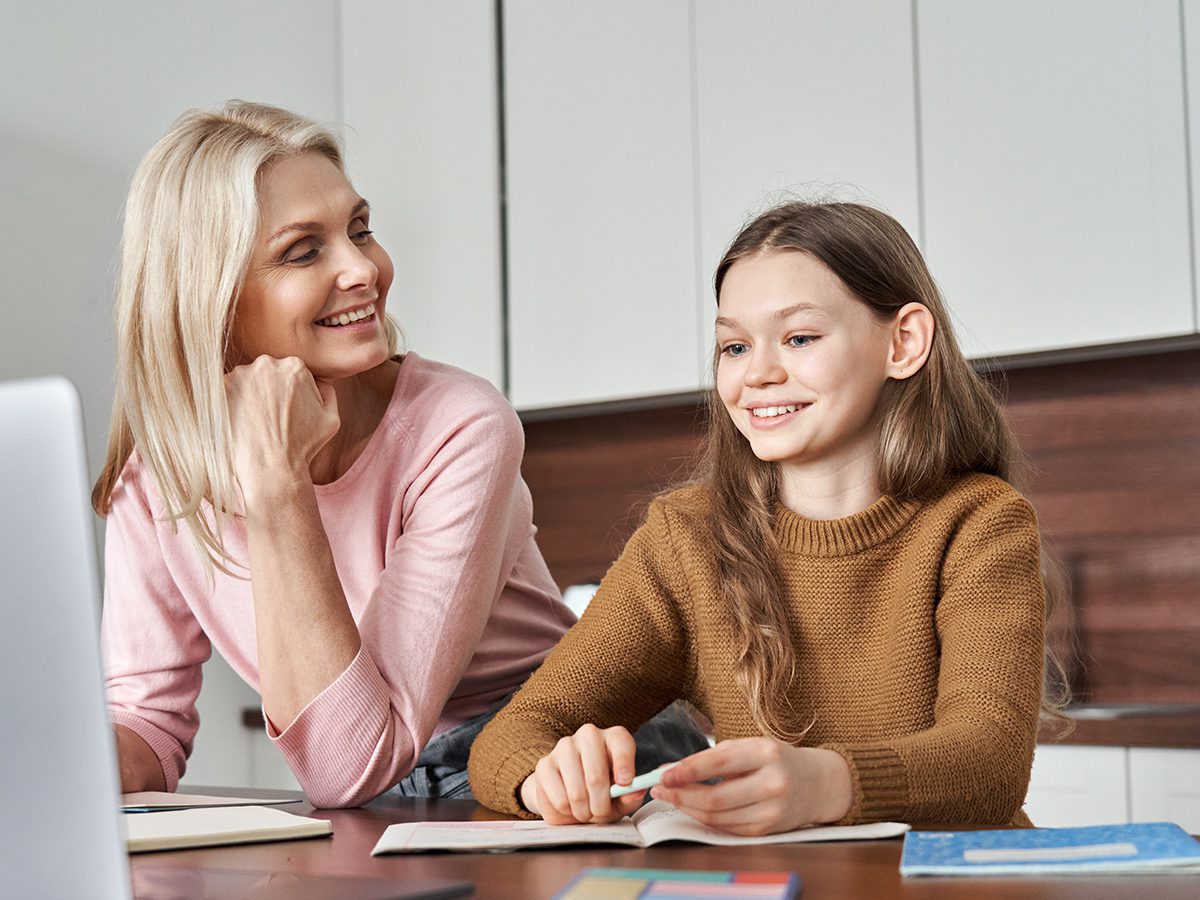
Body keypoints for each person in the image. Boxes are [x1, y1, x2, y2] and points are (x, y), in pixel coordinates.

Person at [468, 200, 1064, 833]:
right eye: (734, 346)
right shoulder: (685, 539)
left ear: (903, 341)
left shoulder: (979, 523)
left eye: (800, 338)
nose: (758, 373)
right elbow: (513, 735)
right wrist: (549, 779)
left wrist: (827, 783)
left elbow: (989, 765)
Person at [91, 100, 582, 808]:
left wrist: (276, 484)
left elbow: (350, 762)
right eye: (304, 250)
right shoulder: (154, 479)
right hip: (390, 794)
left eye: (361, 230)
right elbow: (146, 727)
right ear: (212, 299)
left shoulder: (459, 426)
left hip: (556, 759)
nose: (364, 269)